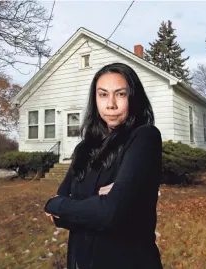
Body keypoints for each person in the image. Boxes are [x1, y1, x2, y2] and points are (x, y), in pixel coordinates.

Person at [44, 62, 163, 269]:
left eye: (120, 94)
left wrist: (57, 205)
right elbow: (60, 219)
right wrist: (100, 202)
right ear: (95, 99)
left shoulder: (144, 137)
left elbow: (111, 213)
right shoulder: (84, 148)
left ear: (133, 98)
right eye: (103, 95)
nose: (111, 104)